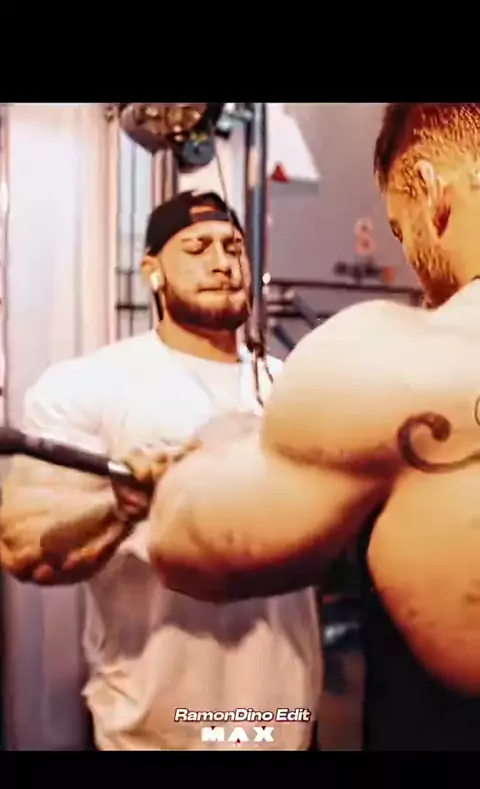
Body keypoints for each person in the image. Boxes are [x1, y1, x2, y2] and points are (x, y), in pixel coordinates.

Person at [146, 104, 480, 703]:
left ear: (433, 191)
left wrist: (215, 449)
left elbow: (190, 545)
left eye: (400, 231)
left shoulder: (389, 358)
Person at [0, 190, 323, 751]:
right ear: (152, 271)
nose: (222, 263)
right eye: (197, 248)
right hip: (153, 728)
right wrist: (121, 505)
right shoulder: (90, 384)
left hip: (285, 721)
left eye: (234, 247)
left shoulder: (296, 384)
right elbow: (24, 546)